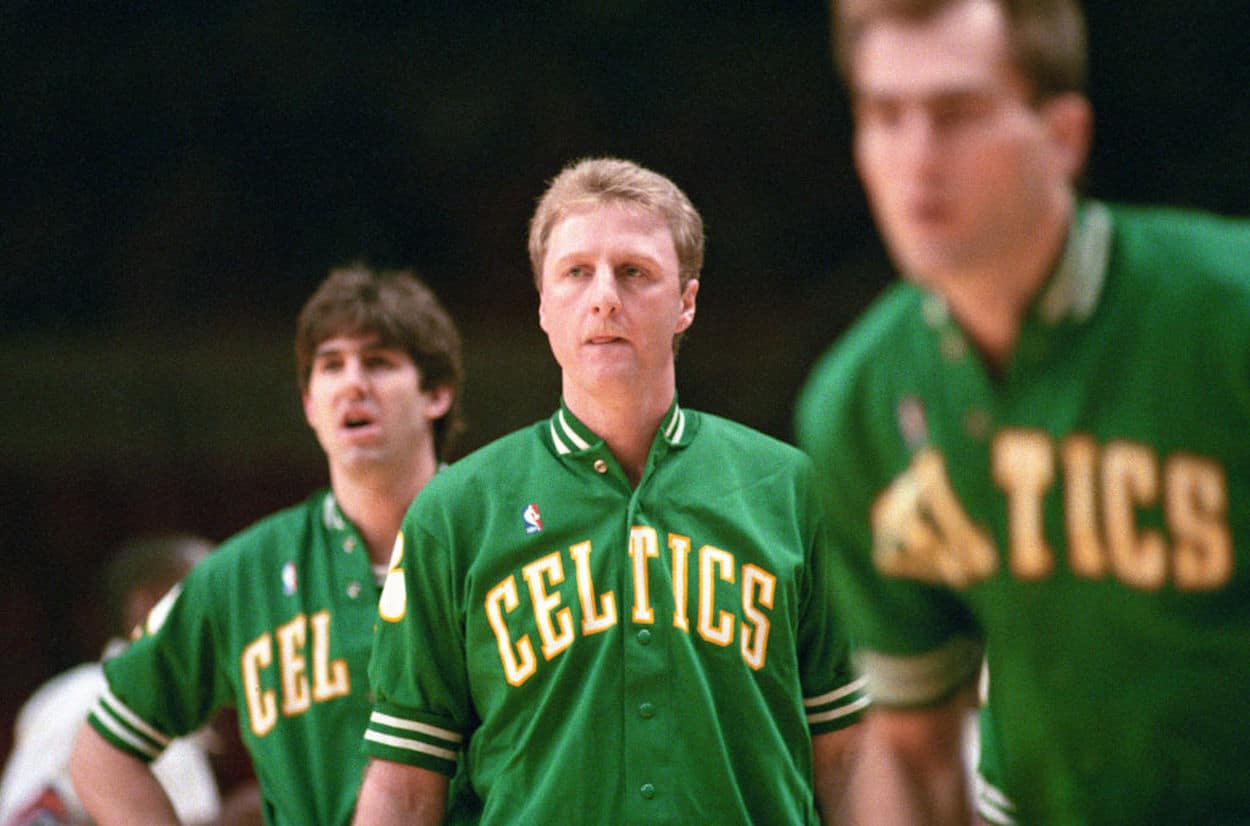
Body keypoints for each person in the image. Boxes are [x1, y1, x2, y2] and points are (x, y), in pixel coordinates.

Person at [795, 0, 1250, 823]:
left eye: (958, 114)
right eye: (884, 116)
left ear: (1064, 136)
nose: (916, 159)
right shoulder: (860, 404)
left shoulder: (1226, 315)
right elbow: (911, 746)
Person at [352, 157, 867, 825]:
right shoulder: (456, 514)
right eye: (575, 273)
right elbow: (403, 782)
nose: (604, 298)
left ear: (686, 302)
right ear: (542, 304)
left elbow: (849, 756)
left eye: (634, 272)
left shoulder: (792, 489)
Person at [69, 264, 465, 825]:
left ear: (437, 393)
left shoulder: (503, 539)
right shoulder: (243, 574)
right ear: (309, 404)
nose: (353, 383)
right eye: (331, 366)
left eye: (378, 362)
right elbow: (101, 755)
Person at [0, 534, 226, 826]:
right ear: (148, 605)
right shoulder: (85, 698)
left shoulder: (176, 715)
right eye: (210, 599)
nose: (226, 618)